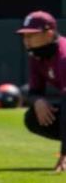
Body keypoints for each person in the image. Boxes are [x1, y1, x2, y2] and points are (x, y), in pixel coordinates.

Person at [18, 11, 66, 171]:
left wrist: (64, 154)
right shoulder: (37, 57)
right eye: (24, 36)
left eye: (31, 35)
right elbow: (34, 91)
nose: (26, 40)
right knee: (33, 118)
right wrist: (37, 100)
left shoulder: (64, 55)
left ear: (49, 33)